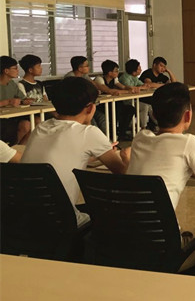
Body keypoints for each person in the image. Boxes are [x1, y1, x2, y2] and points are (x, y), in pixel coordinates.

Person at [20, 77, 129, 226]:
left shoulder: (41, 128)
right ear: (90, 108)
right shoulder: (88, 133)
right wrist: (126, 157)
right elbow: (123, 173)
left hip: (24, 219)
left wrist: (91, 157)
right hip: (62, 222)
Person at [127, 83, 195, 209]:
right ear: (188, 115)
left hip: (123, 219)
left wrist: (189, 168)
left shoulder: (140, 138)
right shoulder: (189, 143)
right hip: (161, 222)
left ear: (153, 115)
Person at [94, 60, 136, 141]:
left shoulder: (115, 79)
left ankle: (121, 133)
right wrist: (127, 91)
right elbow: (109, 91)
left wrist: (131, 88)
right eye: (116, 71)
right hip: (102, 105)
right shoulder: (99, 79)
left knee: (130, 109)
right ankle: (113, 133)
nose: (117, 72)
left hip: (113, 103)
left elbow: (123, 87)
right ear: (109, 73)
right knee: (116, 110)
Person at [0, 56, 32, 145]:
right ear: (6, 71)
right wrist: (7, 102)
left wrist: (25, 101)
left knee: (29, 124)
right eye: (15, 68)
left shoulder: (12, 83)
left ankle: (16, 148)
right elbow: (10, 101)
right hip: (2, 119)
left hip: (12, 116)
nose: (18, 71)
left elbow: (21, 98)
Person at [119, 59, 155, 130]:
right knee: (144, 106)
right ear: (134, 72)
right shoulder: (124, 78)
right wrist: (141, 87)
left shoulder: (135, 77)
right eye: (139, 68)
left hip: (133, 100)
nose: (141, 69)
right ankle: (144, 127)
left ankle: (158, 124)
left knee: (149, 106)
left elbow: (142, 85)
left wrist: (144, 86)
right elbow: (131, 89)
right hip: (124, 101)